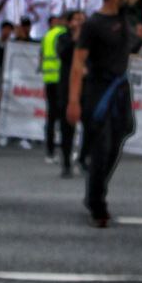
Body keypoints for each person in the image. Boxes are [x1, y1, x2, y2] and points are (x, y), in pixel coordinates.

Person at [67, 0, 142, 227]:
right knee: (103, 146)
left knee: (119, 139)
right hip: (98, 90)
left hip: (121, 89)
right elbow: (77, 64)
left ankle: (96, 180)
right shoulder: (93, 25)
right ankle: (97, 202)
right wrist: (73, 102)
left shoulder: (123, 14)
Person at [55, 9, 85, 177]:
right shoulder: (63, 38)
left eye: (82, 19)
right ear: (69, 22)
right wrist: (75, 37)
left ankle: (83, 157)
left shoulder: (90, 39)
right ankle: (66, 161)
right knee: (67, 126)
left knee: (92, 123)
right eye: (76, 19)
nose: (79, 22)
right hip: (67, 87)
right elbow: (63, 54)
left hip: (86, 86)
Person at [39, 13, 67, 164]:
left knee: (51, 116)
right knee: (63, 117)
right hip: (60, 78)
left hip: (49, 78)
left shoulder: (47, 35)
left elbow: (41, 56)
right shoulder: (63, 34)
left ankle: (50, 151)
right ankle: (65, 149)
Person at [0, 20, 15, 146]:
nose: (6, 32)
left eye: (9, 29)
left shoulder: (13, 44)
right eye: (5, 29)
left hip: (10, 78)